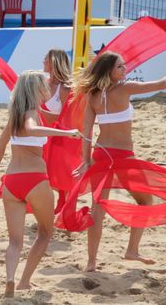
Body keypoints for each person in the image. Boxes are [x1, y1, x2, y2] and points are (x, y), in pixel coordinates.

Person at [0, 70, 79, 298]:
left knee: (14, 241)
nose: (48, 88)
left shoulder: (16, 116)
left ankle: (10, 278)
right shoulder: (31, 114)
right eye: (45, 84)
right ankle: (24, 281)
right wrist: (66, 134)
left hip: (11, 182)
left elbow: (0, 146)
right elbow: (32, 128)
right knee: (45, 232)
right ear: (37, 89)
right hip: (35, 180)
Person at [72, 51, 166, 272]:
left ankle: (91, 262)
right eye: (120, 67)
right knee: (146, 201)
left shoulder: (92, 96)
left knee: (97, 209)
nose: (125, 70)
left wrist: (86, 160)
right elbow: (161, 84)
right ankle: (132, 250)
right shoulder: (126, 88)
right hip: (123, 157)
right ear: (109, 71)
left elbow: (87, 133)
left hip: (101, 155)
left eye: (124, 66)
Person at [0, 49, 72, 125]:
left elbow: (66, 118)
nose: (43, 61)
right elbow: (18, 79)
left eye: (45, 58)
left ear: (53, 62)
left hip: (53, 135)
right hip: (37, 132)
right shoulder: (42, 81)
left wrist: (39, 111)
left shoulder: (64, 88)